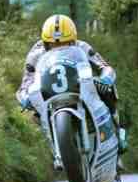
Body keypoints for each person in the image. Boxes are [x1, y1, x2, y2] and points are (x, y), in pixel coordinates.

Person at [16, 14, 127, 170]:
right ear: (46, 43)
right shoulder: (35, 54)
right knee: (36, 113)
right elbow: (25, 82)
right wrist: (24, 97)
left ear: (74, 40)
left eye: (66, 44)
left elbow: (104, 66)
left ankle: (118, 131)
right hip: (51, 92)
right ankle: (56, 151)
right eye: (53, 45)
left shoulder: (83, 47)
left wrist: (105, 79)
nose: (59, 48)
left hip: (79, 84)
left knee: (107, 90)